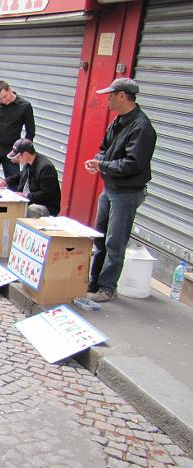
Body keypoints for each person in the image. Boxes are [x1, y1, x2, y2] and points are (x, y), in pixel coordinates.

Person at [84, 77, 156, 303]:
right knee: (100, 236)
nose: (108, 100)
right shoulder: (118, 121)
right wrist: (97, 161)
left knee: (115, 241)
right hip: (111, 187)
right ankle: (93, 282)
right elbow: (104, 148)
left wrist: (102, 165)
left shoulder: (142, 127)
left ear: (122, 96)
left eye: (111, 95)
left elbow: (133, 164)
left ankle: (107, 288)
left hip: (126, 192)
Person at [0, 80, 35, 187]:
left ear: (9, 90)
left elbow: (30, 133)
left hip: (11, 151)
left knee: (14, 185)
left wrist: (21, 153)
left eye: (4, 97)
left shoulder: (25, 106)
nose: (3, 101)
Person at [0, 138, 61, 217]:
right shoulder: (28, 162)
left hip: (44, 206)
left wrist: (25, 195)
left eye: (18, 157)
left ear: (25, 154)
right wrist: (5, 182)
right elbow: (20, 175)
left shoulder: (45, 167)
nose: (16, 159)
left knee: (30, 210)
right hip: (27, 200)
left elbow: (46, 194)